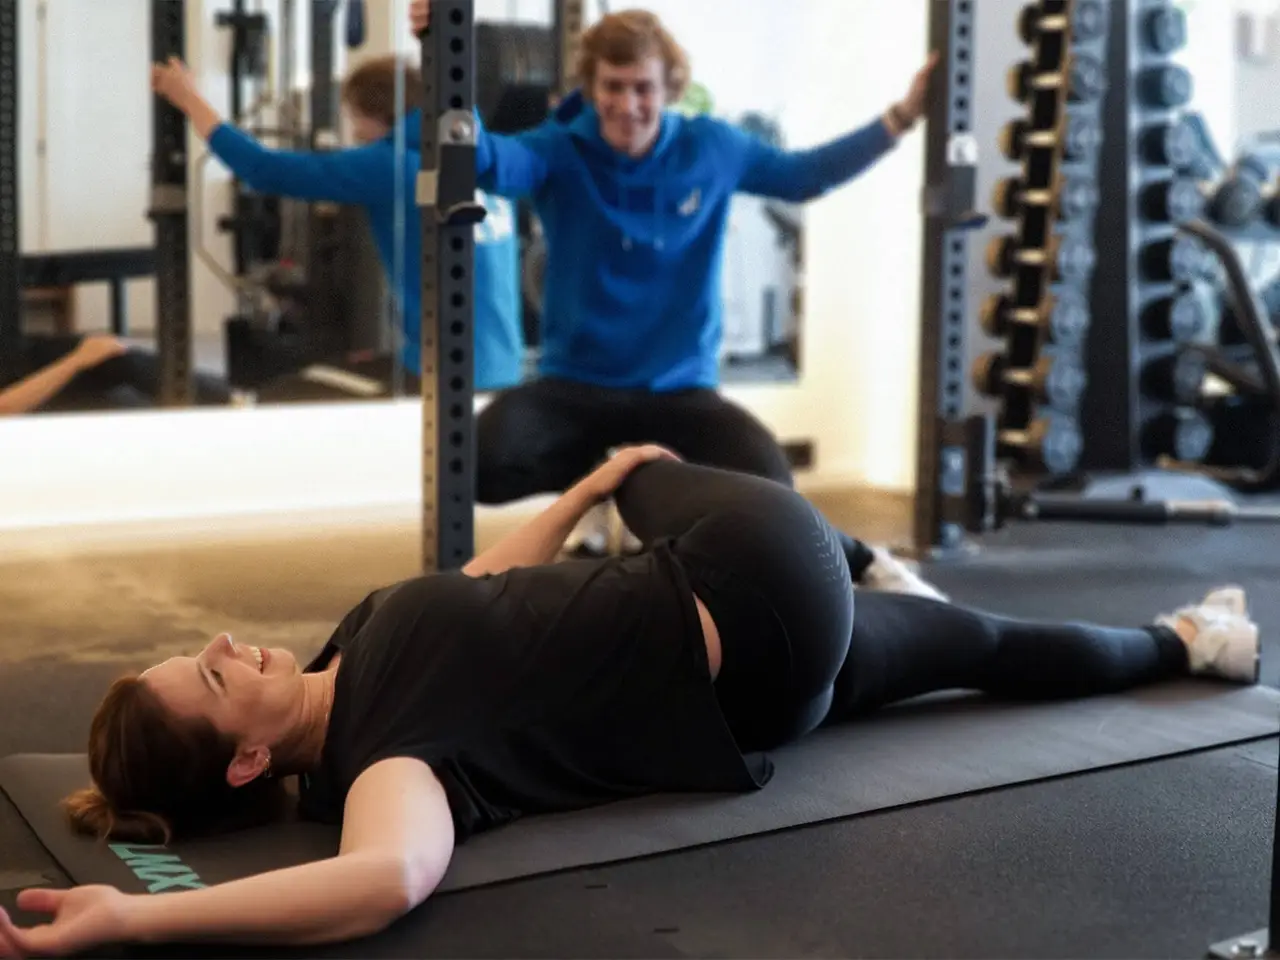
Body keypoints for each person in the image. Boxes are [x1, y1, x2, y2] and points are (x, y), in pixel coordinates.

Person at [0, 446, 1260, 956]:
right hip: (753, 581)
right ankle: (843, 549)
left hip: (766, 697)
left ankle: (1180, 643)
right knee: (655, 458)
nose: (226, 643)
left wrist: (573, 495)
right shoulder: (385, 764)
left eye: (205, 648)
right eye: (213, 677)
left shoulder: (348, 654)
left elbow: (484, 583)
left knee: (973, 643)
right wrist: (137, 923)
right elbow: (385, 880)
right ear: (242, 765)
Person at [408, 1, 940, 566]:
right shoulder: (560, 148)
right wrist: (441, 54)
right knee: (472, 464)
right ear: (591, 86)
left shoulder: (712, 148)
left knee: (771, 489)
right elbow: (488, 160)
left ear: (669, 88)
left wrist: (902, 116)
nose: (627, 105)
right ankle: (602, 479)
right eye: (613, 87)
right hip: (577, 387)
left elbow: (805, 175)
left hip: (680, 391)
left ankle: (645, 489)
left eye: (643, 88)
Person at [149, 54, 525, 395]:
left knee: (282, 398)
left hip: (441, 376)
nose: (356, 132)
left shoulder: (392, 164)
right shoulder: (480, 160)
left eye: (355, 118)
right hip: (506, 370)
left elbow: (262, 169)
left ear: (375, 112)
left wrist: (188, 99)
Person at [0, 333, 232, 415]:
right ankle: (234, 397)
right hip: (38, 391)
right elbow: (5, 406)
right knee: (130, 392)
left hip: (31, 361)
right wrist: (77, 360)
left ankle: (234, 394)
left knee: (124, 362)